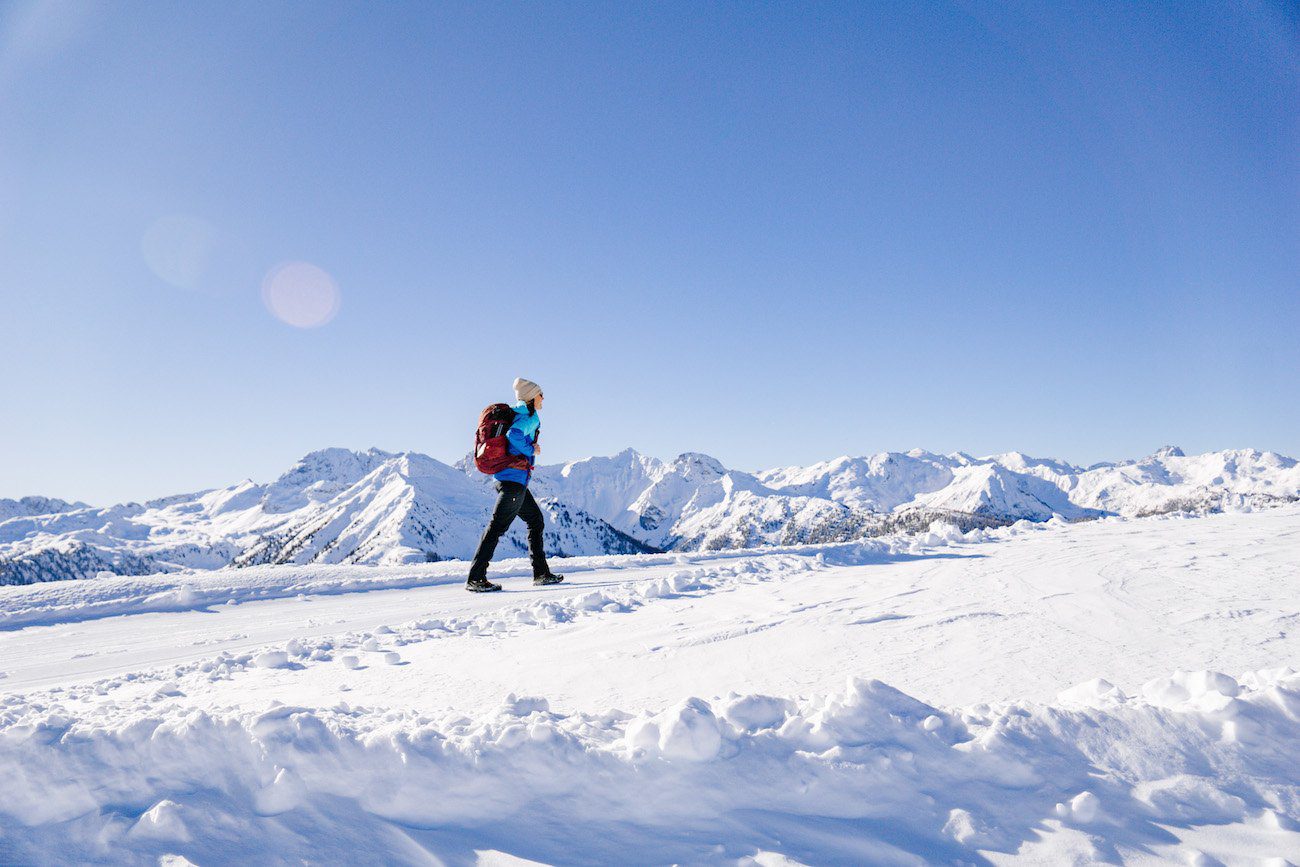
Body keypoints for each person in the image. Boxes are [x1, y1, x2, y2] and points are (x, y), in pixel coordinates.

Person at [466, 378, 565, 592]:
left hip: (510, 480)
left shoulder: (515, 413)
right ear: (531, 397)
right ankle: (475, 578)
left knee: (536, 520)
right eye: (540, 394)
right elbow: (513, 435)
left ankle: (541, 573)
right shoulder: (530, 417)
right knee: (496, 528)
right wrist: (532, 449)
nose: (543, 398)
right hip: (514, 482)